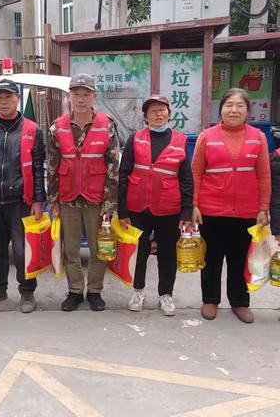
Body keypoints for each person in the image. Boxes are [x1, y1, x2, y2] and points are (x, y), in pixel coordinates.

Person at [192, 88, 270, 324]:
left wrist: (263, 207)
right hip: (211, 209)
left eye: (239, 105)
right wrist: (194, 204)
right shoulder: (207, 136)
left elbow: (263, 175)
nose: (234, 110)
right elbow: (196, 172)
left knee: (239, 260)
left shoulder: (258, 137)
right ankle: (210, 299)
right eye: (229, 105)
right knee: (212, 258)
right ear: (221, 109)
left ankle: (239, 302)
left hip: (246, 211)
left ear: (247, 110)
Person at [0, 79, 46, 313]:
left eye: (9, 97)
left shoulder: (33, 130)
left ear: (17, 99)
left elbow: (38, 168)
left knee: (24, 252)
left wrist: (37, 201)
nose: (4, 101)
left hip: (21, 203)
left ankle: (27, 292)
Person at [47, 73, 120, 312]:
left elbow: (113, 167)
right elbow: (52, 166)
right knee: (70, 249)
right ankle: (75, 290)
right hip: (68, 197)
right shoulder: (57, 126)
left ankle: (95, 291)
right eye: (76, 94)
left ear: (94, 97)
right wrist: (53, 200)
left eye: (85, 94)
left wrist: (110, 205)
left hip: (97, 198)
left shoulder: (107, 124)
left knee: (100, 247)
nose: (80, 99)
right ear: (69, 97)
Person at [117, 95, 193, 317]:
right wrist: (122, 210)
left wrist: (186, 211)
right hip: (138, 207)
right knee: (139, 251)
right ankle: (138, 291)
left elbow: (186, 178)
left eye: (162, 110)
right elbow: (124, 174)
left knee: (167, 253)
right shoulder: (136, 139)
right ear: (145, 117)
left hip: (169, 208)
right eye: (153, 111)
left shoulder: (180, 140)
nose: (158, 114)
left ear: (169, 113)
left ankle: (165, 294)